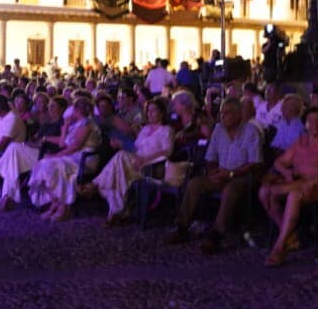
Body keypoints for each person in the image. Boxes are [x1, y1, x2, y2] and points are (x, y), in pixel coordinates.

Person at [167, 97, 264, 253]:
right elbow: (210, 157)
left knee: (230, 189)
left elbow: (256, 163)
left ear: (238, 115)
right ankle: (182, 227)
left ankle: (216, 234)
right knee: (195, 184)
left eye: (227, 113)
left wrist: (231, 173)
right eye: (222, 113)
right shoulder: (219, 130)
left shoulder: (251, 131)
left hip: (242, 175)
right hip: (222, 173)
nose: (223, 117)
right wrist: (212, 171)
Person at [257, 106, 318, 267]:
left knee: (293, 195)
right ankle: (292, 237)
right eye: (310, 121)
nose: (314, 124)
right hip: (297, 182)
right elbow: (279, 161)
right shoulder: (301, 141)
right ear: (305, 124)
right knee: (264, 192)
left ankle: (279, 247)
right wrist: (286, 172)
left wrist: (314, 180)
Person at [92, 97, 174, 225]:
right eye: (148, 111)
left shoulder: (166, 130)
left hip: (150, 167)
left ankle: (96, 184)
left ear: (162, 112)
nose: (150, 114)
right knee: (119, 174)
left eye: (153, 110)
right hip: (135, 162)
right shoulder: (145, 129)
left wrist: (145, 159)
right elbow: (136, 148)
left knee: (121, 157)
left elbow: (167, 151)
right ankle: (115, 213)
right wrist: (121, 144)